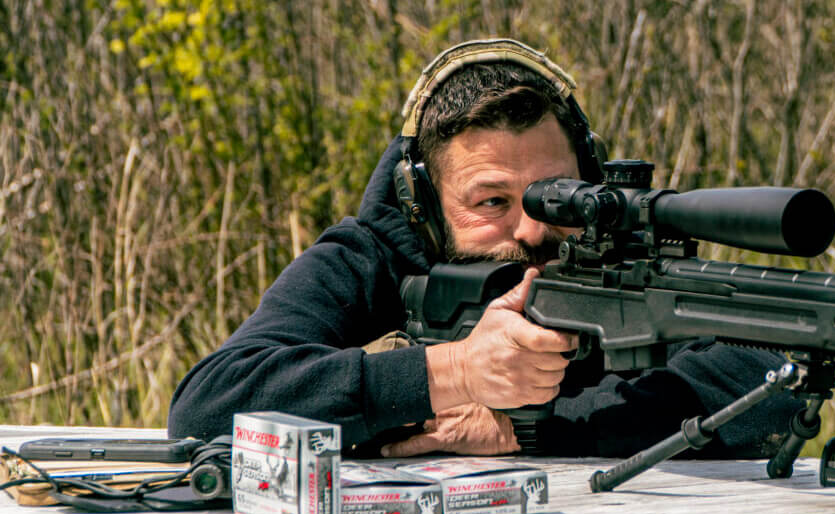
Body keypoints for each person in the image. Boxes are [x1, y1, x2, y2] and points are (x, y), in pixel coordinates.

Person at [167, 39, 797, 459]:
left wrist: (530, 427)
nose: (531, 230)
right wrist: (454, 372)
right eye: (491, 202)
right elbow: (209, 406)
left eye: (557, 193)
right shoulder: (378, 253)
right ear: (424, 204)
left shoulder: (620, 252)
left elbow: (764, 380)